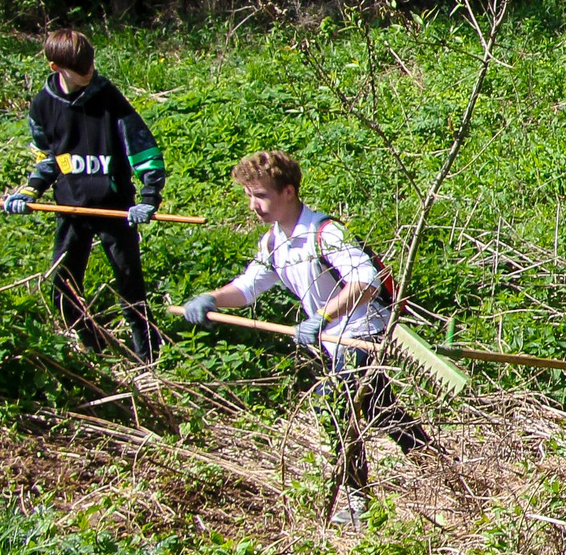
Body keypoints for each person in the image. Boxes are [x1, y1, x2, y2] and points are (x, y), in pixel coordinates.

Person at [179, 150, 430, 526]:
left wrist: (322, 316)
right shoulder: (274, 243)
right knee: (381, 410)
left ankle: (359, 502)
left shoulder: (325, 234)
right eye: (249, 195)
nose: (253, 205)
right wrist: (212, 299)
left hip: (363, 332)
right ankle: (439, 464)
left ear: (289, 192)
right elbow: (248, 287)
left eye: (259, 195)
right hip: (335, 339)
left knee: (338, 407)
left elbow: (365, 282)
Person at [2, 28, 167, 363]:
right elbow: (47, 158)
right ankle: (94, 350)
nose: (89, 72)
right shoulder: (43, 106)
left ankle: (147, 358)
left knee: (130, 285)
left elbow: (143, 148)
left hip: (114, 208)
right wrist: (30, 190)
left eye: (90, 64)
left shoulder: (109, 98)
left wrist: (148, 199)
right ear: (55, 67)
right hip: (71, 207)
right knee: (63, 288)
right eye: (80, 69)